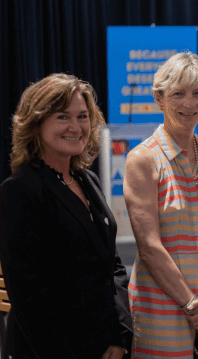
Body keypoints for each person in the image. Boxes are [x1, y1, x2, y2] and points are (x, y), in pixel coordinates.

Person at [0, 74, 133, 358]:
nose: (76, 127)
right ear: (36, 123)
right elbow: (29, 296)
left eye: (83, 116)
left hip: (106, 346)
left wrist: (120, 336)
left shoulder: (88, 181)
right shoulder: (19, 191)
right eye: (63, 117)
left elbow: (113, 268)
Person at [125, 52, 198, 358]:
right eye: (178, 94)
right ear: (159, 99)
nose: (189, 103)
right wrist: (191, 305)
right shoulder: (142, 159)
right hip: (162, 307)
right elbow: (149, 246)